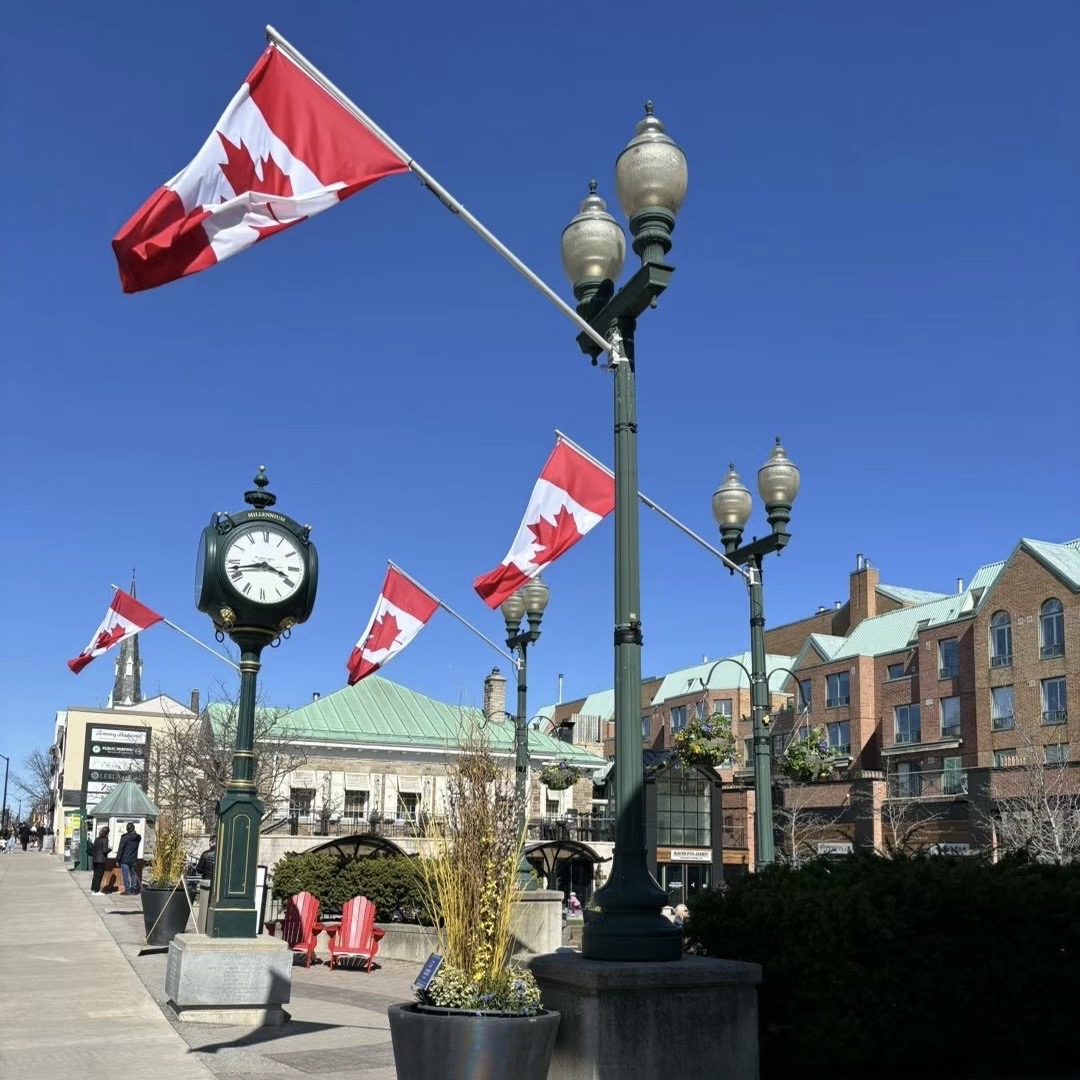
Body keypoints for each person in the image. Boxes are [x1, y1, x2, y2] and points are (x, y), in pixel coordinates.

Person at [115, 822, 141, 895]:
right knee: (133, 874)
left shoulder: (124, 837)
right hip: (133, 859)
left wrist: (117, 859)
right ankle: (133, 889)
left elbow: (121, 849)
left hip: (125, 859)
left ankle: (127, 890)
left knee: (125, 875)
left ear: (127, 829)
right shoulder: (138, 837)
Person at [90, 827, 111, 894]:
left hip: (95, 860)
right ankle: (97, 890)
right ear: (107, 833)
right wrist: (110, 849)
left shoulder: (97, 839)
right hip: (101, 860)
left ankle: (93, 890)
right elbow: (105, 851)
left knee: (95, 875)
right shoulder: (105, 840)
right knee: (99, 875)